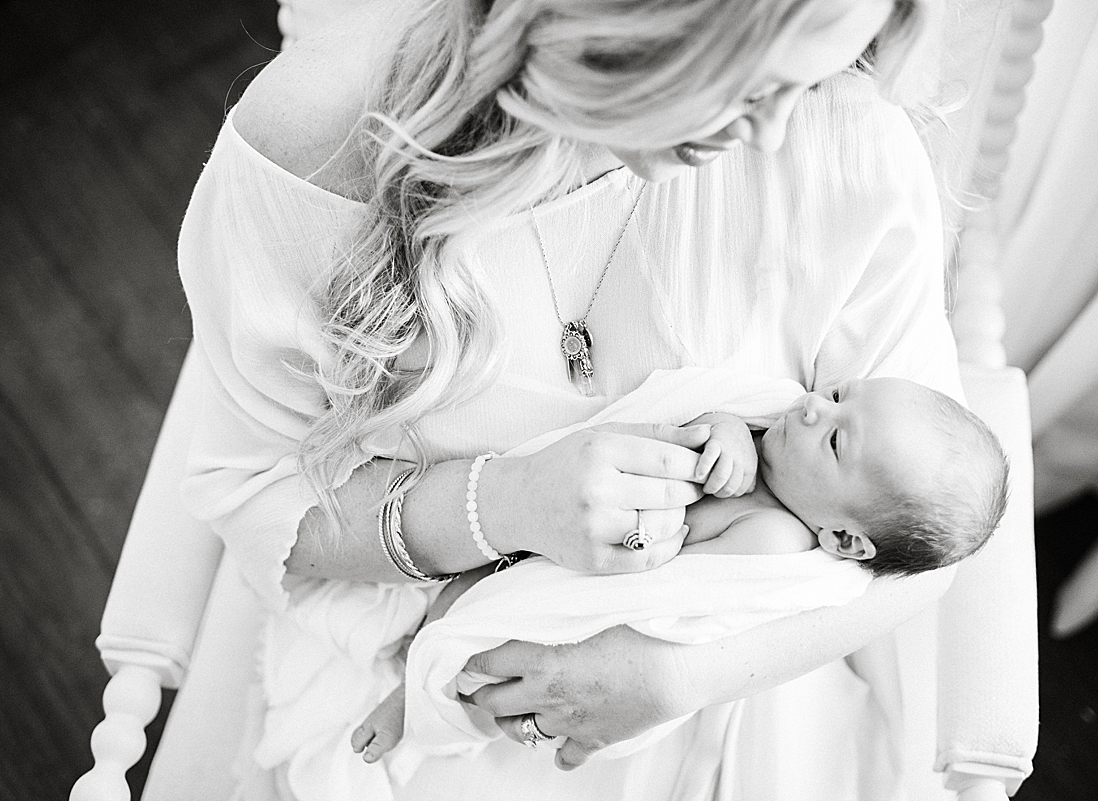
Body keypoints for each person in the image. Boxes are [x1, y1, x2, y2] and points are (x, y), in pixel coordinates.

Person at [176, 0, 972, 797]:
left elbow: (928, 539)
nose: (769, 135)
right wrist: (503, 503)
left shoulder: (846, 136)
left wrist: (673, 677)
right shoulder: (326, 148)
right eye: (749, 80)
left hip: (749, 669)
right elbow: (260, 498)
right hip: (419, 644)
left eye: (807, 77)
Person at [348, 371, 1009, 770]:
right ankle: (420, 650)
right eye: (838, 395)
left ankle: (415, 694)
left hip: (595, 598)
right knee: (463, 592)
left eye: (836, 438)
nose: (812, 407)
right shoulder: (773, 435)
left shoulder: (776, 540)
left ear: (842, 537)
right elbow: (702, 424)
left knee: (484, 635)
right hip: (563, 530)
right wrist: (722, 430)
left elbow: (681, 593)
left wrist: (716, 472)